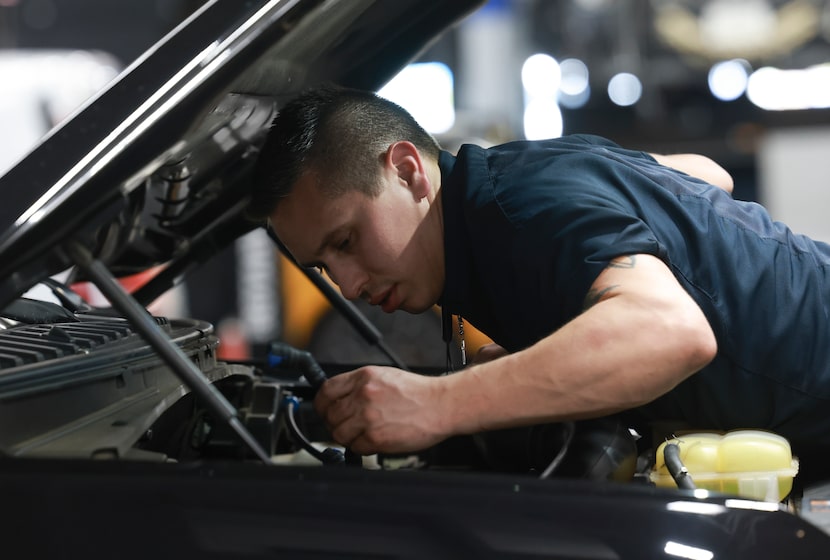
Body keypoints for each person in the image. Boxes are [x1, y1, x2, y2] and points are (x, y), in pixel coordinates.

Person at [249, 85, 830, 477]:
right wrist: (554, 343)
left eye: (346, 241)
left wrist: (435, 405)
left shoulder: (517, 211)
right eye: (324, 267)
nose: (347, 286)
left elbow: (669, 332)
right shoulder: (514, 179)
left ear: (407, 172)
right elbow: (710, 175)